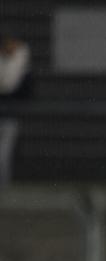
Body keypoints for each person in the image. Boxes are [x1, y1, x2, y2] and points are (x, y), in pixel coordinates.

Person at [0, 32, 32, 187]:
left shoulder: (21, 62)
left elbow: (24, 90)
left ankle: (3, 183)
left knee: (4, 153)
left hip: (10, 116)